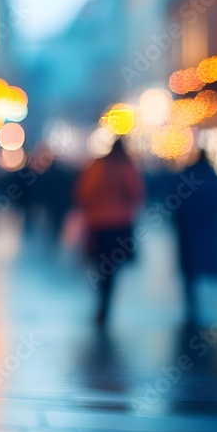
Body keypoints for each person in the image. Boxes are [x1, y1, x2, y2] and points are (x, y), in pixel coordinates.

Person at [75, 138, 145, 326]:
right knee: (111, 267)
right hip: (119, 224)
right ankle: (105, 302)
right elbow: (137, 193)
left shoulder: (96, 167)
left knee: (100, 265)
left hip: (98, 223)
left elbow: (84, 192)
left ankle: (102, 302)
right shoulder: (126, 167)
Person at [174, 148, 217, 325]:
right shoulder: (213, 179)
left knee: (190, 266)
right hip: (207, 228)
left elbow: (177, 203)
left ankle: (191, 298)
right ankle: (194, 298)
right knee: (201, 261)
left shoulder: (187, 178)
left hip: (190, 228)